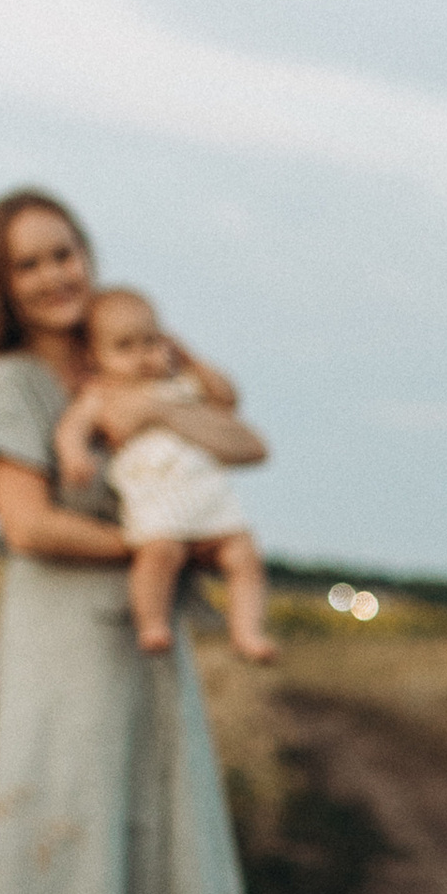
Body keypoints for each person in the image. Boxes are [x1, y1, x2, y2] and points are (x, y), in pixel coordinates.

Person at [0, 191, 265, 894]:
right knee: (71, 812)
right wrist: (158, 544)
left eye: (65, 254)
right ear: (1, 286)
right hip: (64, 631)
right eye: (29, 264)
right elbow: (29, 525)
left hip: (139, 625)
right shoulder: (9, 382)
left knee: (140, 810)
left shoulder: (128, 365)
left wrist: (171, 405)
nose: (54, 276)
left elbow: (243, 442)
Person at [62, 285, 280, 666]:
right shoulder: (103, 394)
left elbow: (227, 397)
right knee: (159, 555)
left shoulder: (180, 385)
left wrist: (190, 358)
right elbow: (72, 427)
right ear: (95, 356)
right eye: (124, 347)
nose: (142, 355)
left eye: (151, 341)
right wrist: (74, 453)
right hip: (158, 503)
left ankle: (247, 631)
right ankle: (152, 623)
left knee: (245, 557)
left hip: (210, 501)